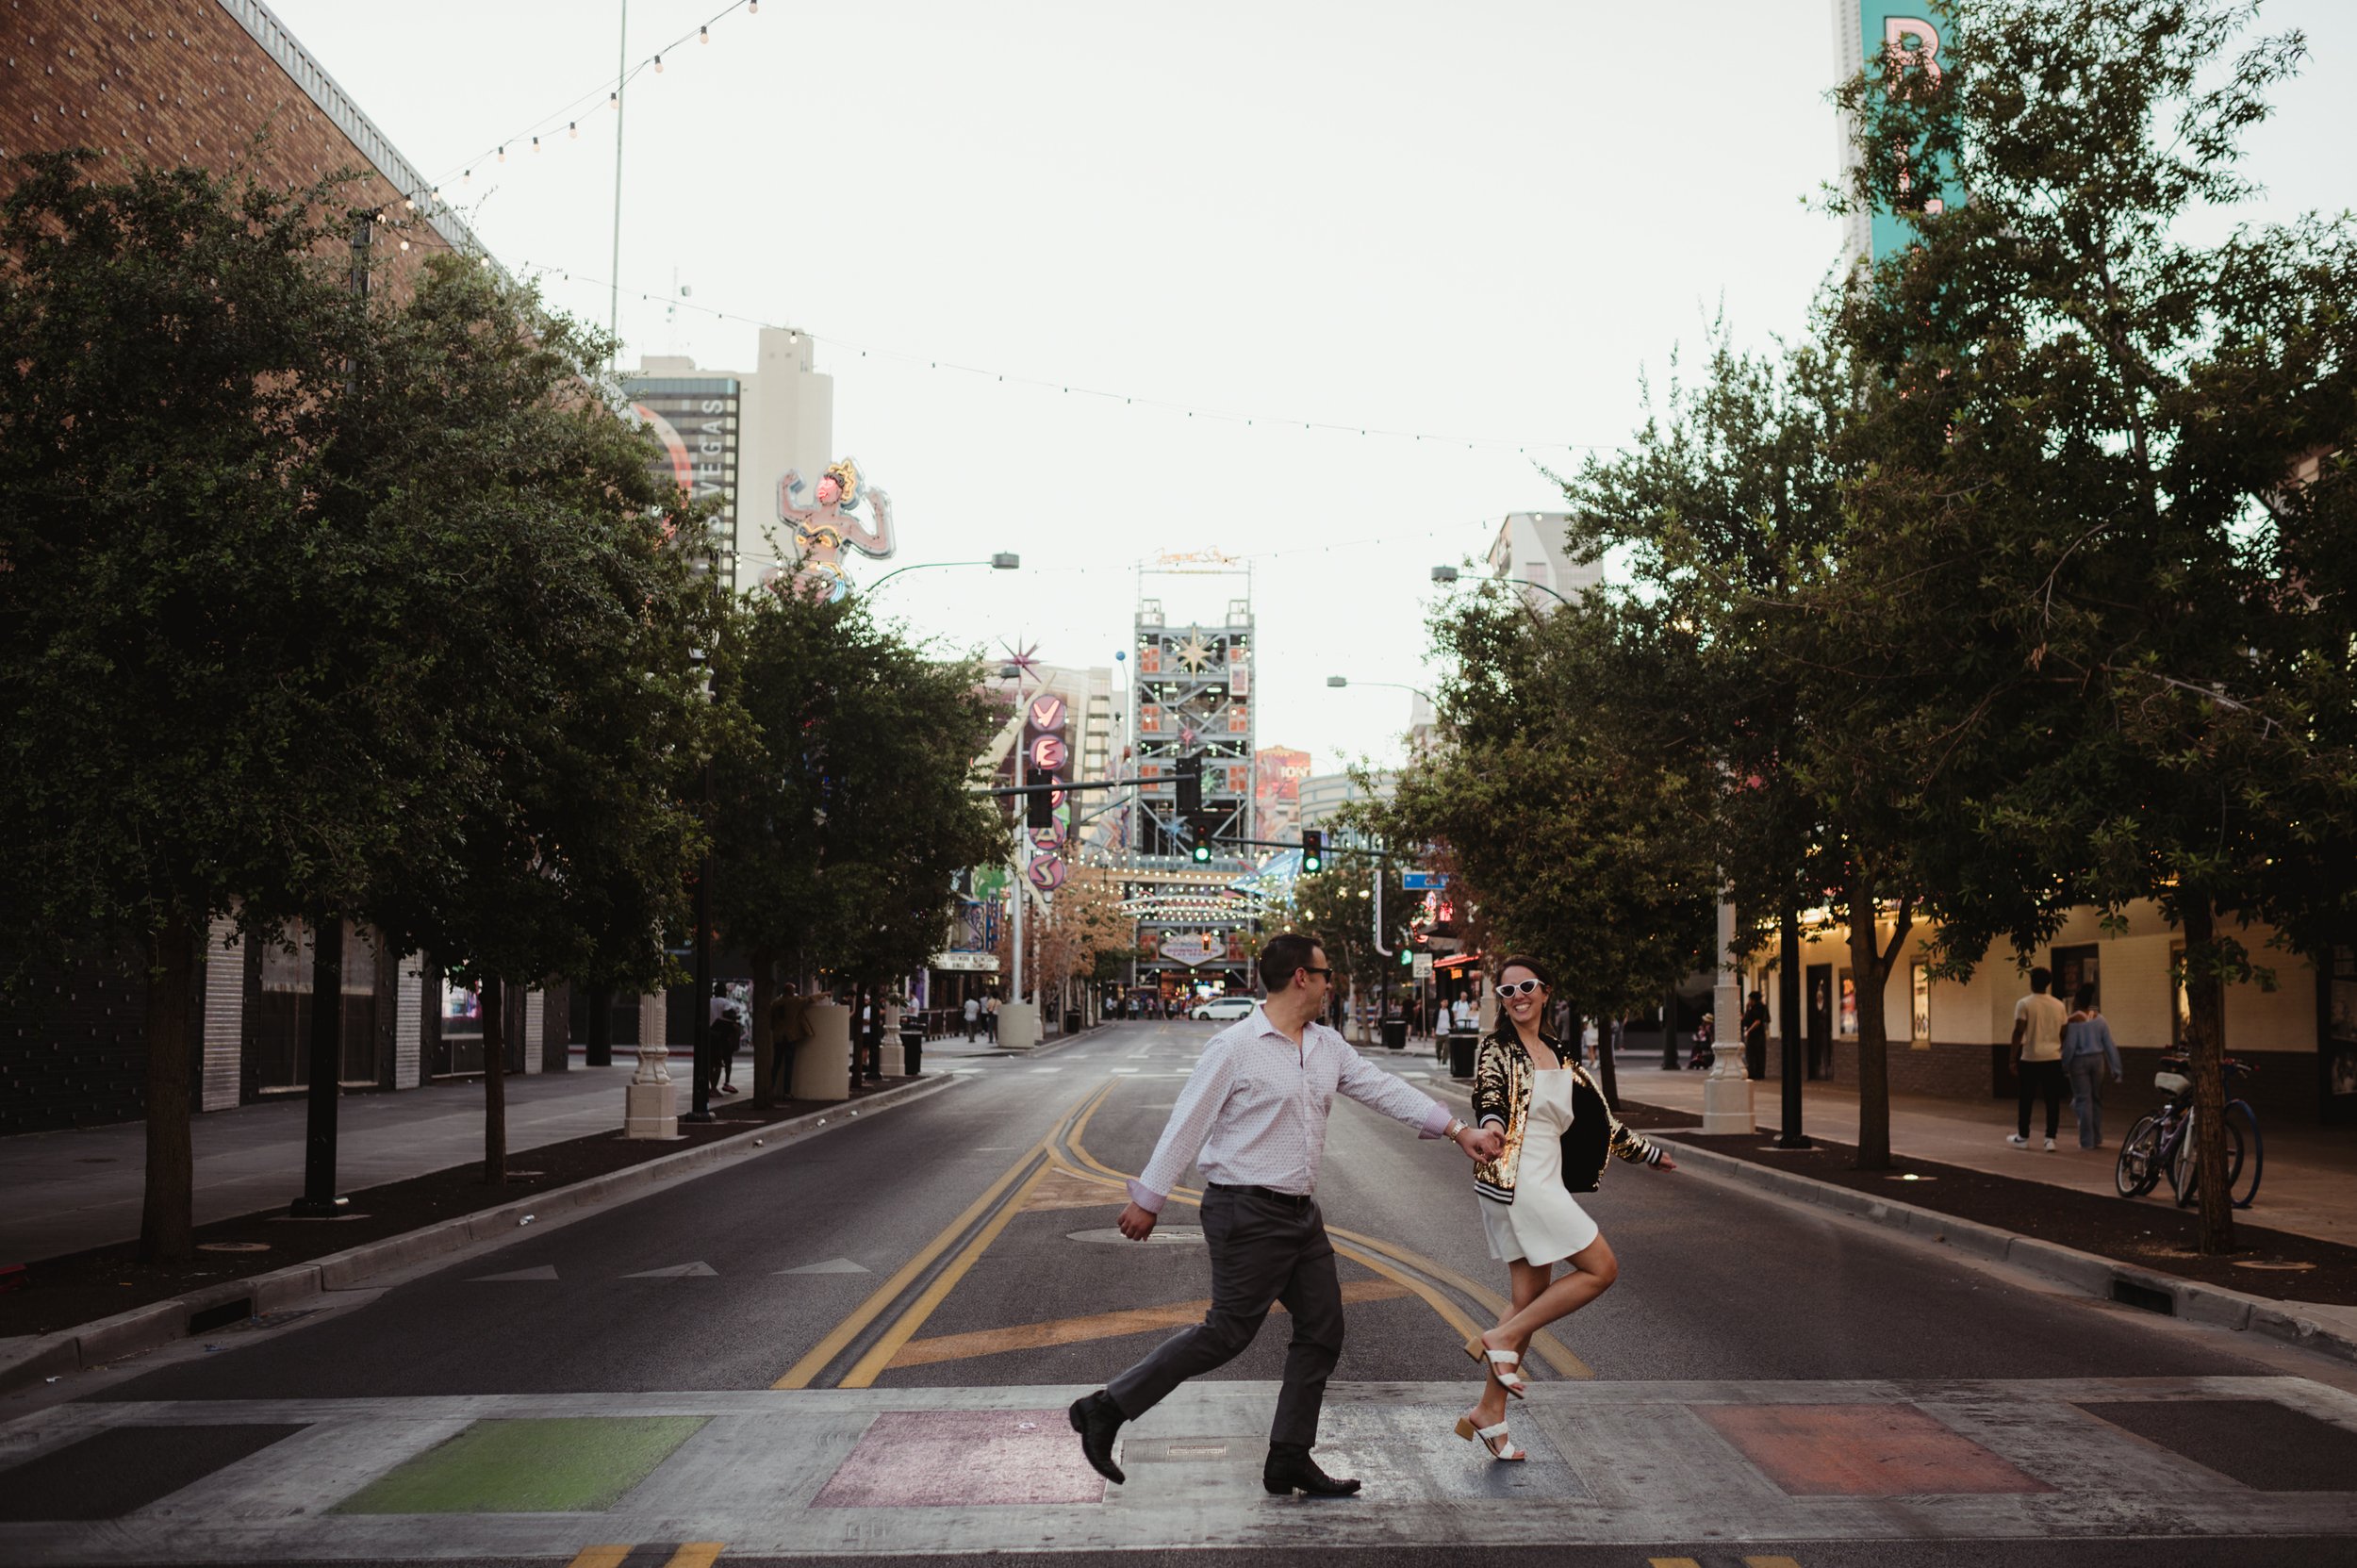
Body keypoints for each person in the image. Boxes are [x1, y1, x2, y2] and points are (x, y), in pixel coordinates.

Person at [1069, 934, 1504, 1498]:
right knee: (1227, 1333)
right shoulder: (1235, 1047)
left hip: (1301, 1215)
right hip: (1242, 1209)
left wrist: (1457, 1130)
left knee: (1322, 1330)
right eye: (1325, 974)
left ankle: (1288, 1458)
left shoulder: (1325, 1046)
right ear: (1302, 977)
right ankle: (1105, 1408)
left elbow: (1381, 1089)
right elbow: (1187, 1124)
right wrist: (1148, 1199)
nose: (1330, 985)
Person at [1459, 955, 1676, 1462]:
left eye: (1527, 987)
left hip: (1540, 1177)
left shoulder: (1560, 1053)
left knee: (1531, 1296)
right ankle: (1501, 1337)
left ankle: (1490, 1411)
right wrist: (1491, 1124)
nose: (1518, 997)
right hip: (1519, 1177)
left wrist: (1648, 1155)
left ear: (1545, 991)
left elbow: (1601, 1122)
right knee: (1602, 1268)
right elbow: (1488, 1094)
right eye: (1507, 991)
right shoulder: (1497, 1048)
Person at [2008, 966, 2068, 1151]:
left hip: (2030, 1057)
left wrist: (2012, 1058)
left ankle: (2023, 1136)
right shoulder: (2059, 1005)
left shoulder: (2024, 1004)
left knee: (2026, 1099)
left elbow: (2019, 1031)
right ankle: (2050, 1138)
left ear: (2032, 982)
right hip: (2053, 1057)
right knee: (2052, 1100)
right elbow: (2064, 1031)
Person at [2059, 982, 2124, 1149]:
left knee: (2083, 1099)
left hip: (2079, 1062)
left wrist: (2064, 1063)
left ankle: (2086, 1141)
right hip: (2098, 1061)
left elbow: (2070, 1046)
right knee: (2096, 1099)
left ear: (2078, 1002)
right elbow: (2109, 1044)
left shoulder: (2073, 1021)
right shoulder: (2100, 1019)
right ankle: (2097, 1137)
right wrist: (2116, 1068)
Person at [708, 982, 742, 1095]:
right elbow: (728, 1014)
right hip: (723, 1035)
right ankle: (723, 1084)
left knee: (711, 1062)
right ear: (724, 992)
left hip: (710, 1034)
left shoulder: (709, 1002)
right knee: (725, 1061)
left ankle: (711, 1085)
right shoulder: (726, 1002)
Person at [1740, 990, 1770, 1081]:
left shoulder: (1759, 1008)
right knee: (1754, 1054)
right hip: (1755, 1034)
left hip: (1757, 1034)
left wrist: (1748, 1031)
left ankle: (1756, 1073)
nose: (1749, 1001)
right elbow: (1745, 1020)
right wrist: (1747, 1009)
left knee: (1754, 1054)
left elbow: (1758, 1021)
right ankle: (1755, 1073)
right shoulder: (1751, 1008)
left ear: (1754, 1000)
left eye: (1750, 999)